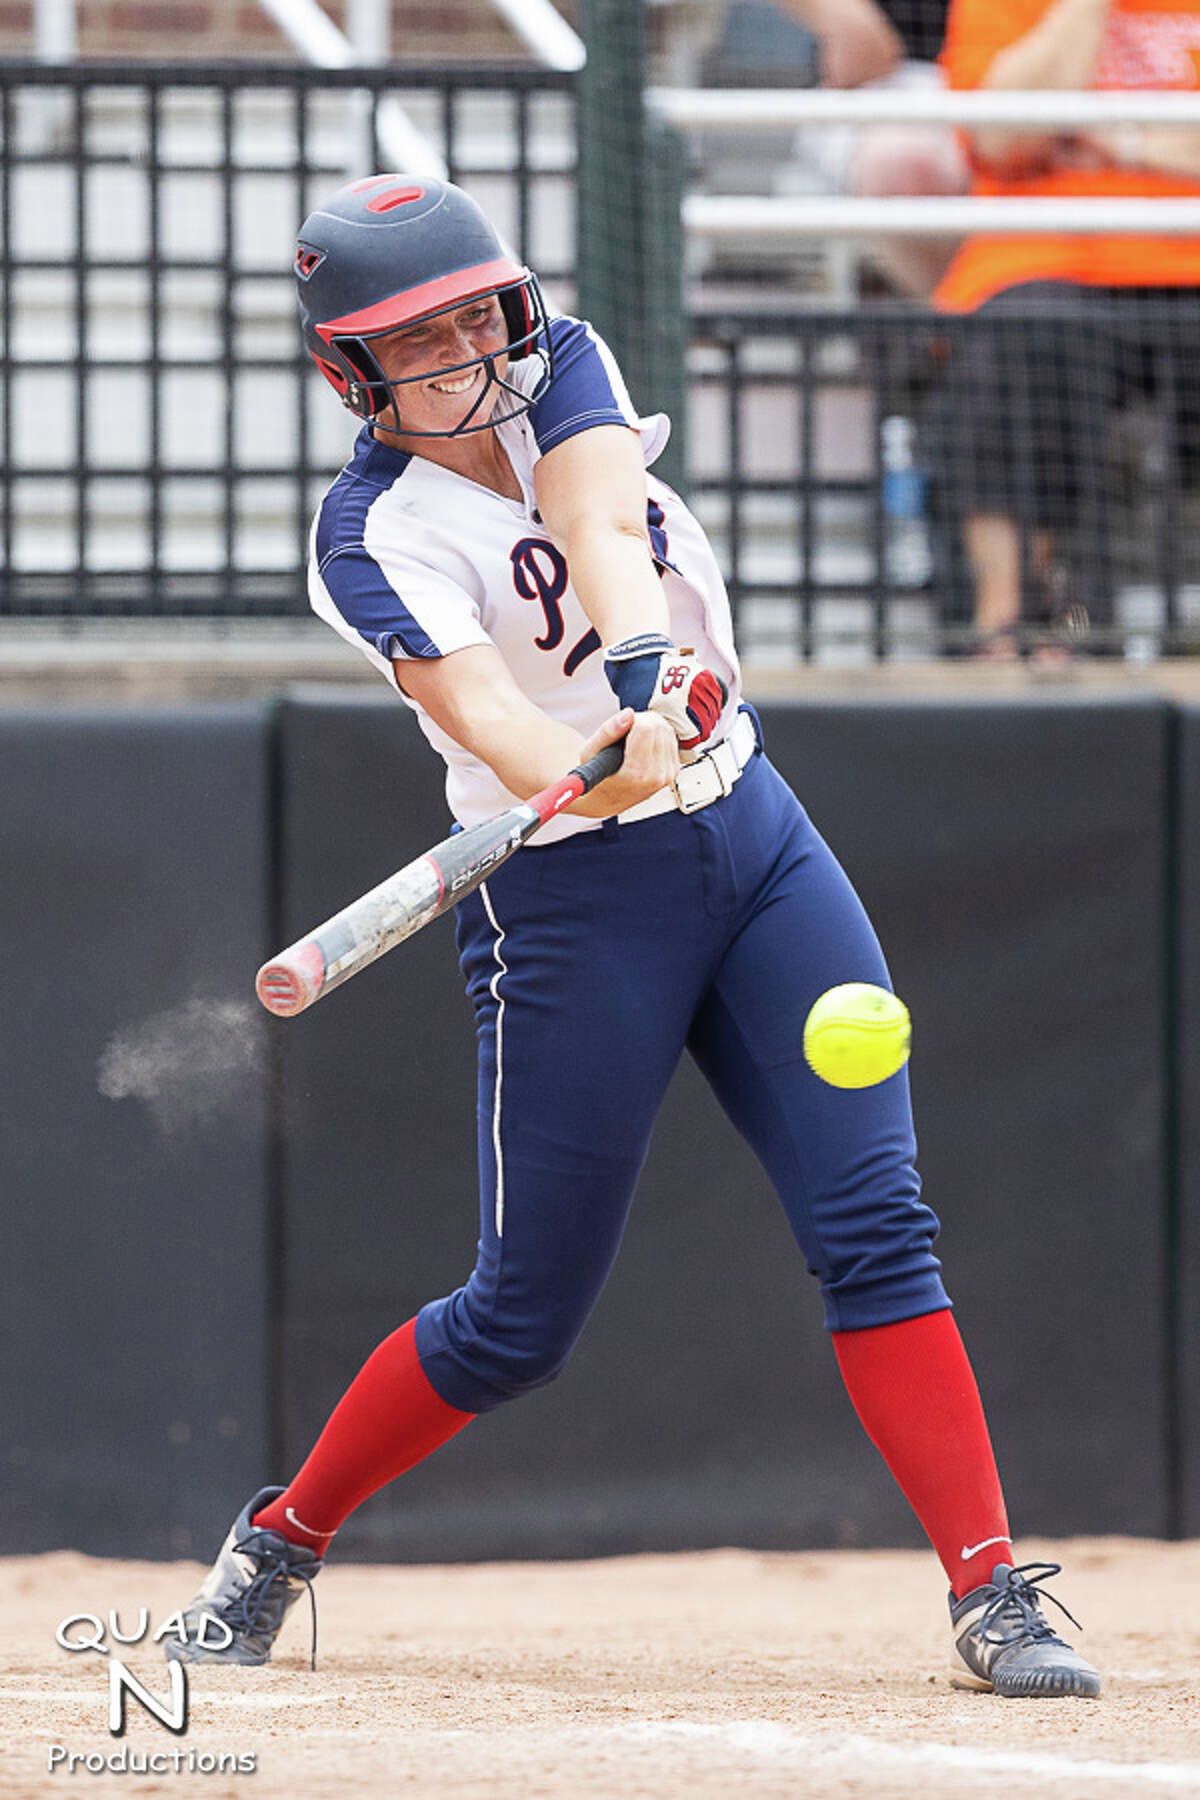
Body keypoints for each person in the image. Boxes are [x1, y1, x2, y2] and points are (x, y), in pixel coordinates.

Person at [168, 174, 1100, 1699]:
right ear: (354, 372)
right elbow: (492, 726)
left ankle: (993, 1589)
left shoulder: (567, 366)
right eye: (422, 337)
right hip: (574, 903)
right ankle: (281, 1539)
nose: (471, 349)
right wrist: (593, 767)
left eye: (481, 313)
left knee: (878, 1225)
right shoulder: (369, 537)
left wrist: (646, 672)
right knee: (517, 1322)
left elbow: (600, 522)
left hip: (758, 841)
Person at [930, 0, 1200, 654]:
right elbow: (1002, 139)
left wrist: (1122, 142)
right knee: (1026, 335)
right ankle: (1011, 624)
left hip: (1186, 261)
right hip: (1046, 261)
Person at [778, 0, 968, 298]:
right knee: (903, 162)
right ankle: (961, 316)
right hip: (883, 87)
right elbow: (863, 53)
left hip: (1003, 84)